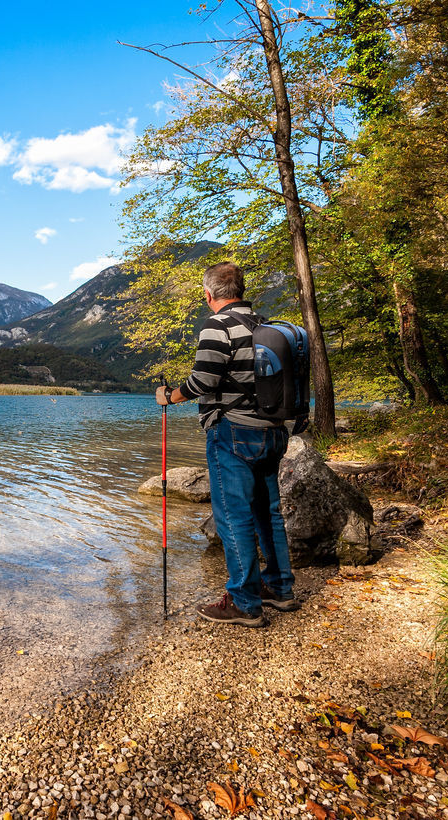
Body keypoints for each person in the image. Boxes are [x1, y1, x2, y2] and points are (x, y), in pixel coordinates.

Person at [155, 261, 300, 627]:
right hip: (274, 431)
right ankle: (280, 588)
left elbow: (203, 381)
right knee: (269, 511)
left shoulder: (217, 325)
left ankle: (244, 602)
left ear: (209, 294)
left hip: (233, 433)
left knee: (233, 515)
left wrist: (169, 396)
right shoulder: (266, 326)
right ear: (241, 290)